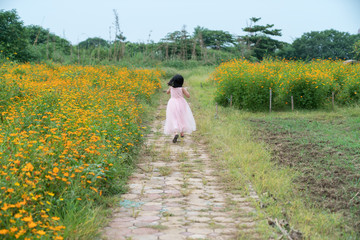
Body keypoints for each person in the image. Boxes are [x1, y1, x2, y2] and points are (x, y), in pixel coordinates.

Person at [164, 74, 196, 143]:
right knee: (181, 117)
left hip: (172, 103)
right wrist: (186, 91)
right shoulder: (182, 89)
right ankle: (181, 132)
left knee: (174, 118)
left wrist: (170, 89)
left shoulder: (171, 88)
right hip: (181, 103)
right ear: (181, 82)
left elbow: (167, 93)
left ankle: (175, 133)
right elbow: (188, 96)